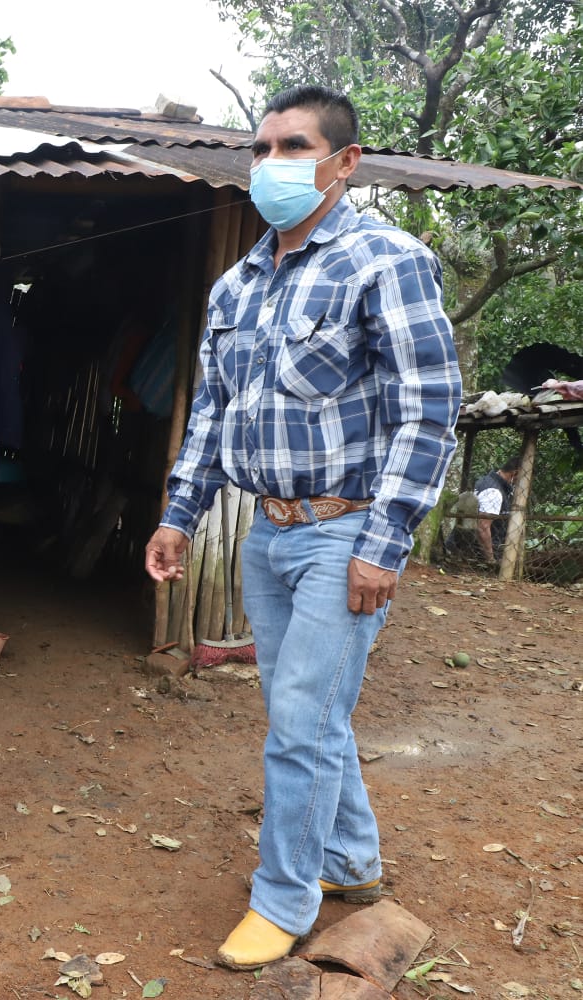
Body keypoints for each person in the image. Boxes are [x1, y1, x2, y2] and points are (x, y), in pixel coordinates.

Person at [143, 85, 462, 970]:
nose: (271, 164)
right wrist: (179, 515)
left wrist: (383, 545)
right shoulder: (236, 286)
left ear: (344, 162)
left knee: (299, 724)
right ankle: (352, 860)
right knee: (309, 714)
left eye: (293, 147)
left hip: (345, 531)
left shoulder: (385, 260)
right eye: (262, 148)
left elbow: (428, 411)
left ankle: (283, 900)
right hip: (269, 532)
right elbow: (213, 413)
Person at [473, 456, 521, 563]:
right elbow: (483, 527)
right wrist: (490, 559)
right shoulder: (494, 491)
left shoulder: (487, 481)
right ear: (514, 474)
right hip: (479, 556)